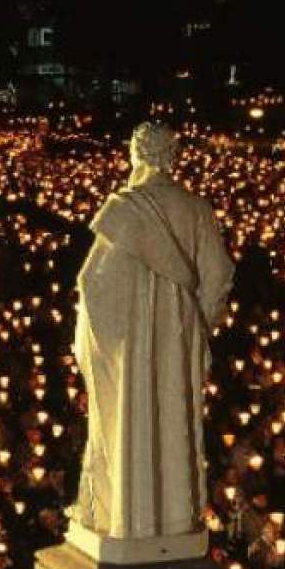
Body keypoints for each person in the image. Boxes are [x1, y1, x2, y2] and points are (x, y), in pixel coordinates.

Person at [69, 122, 235, 540]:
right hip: (177, 342)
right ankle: (173, 519)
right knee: (172, 422)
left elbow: (93, 283)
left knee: (127, 423)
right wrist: (196, 329)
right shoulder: (196, 209)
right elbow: (219, 276)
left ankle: (124, 515)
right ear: (172, 156)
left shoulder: (124, 209)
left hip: (129, 350)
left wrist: (100, 342)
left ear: (135, 155)